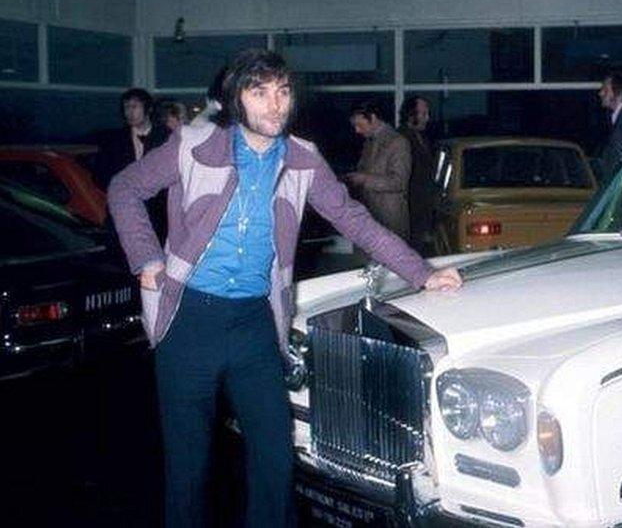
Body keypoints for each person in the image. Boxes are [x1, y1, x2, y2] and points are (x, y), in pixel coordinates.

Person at [107, 48, 461, 528]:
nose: (276, 104)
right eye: (260, 92)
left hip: (254, 325)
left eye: (283, 91)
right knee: (188, 468)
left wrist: (421, 271)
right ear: (237, 99)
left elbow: (355, 220)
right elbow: (124, 189)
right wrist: (147, 258)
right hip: (188, 321)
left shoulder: (303, 161)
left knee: (275, 459)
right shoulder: (192, 146)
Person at [344, 101, 412, 239]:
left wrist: (364, 179)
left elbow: (399, 182)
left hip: (391, 221)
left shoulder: (398, 142)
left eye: (359, 125)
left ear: (373, 118)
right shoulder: (369, 142)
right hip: (372, 219)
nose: (357, 130)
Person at [95, 88, 169, 189]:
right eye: (126, 107)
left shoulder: (165, 136)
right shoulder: (114, 140)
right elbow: (101, 174)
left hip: (158, 200)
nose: (130, 112)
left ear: (149, 109)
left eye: (134, 107)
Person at [398, 96, 437, 255]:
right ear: (411, 114)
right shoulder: (401, 138)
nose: (427, 118)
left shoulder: (422, 138)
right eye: (423, 113)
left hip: (421, 204)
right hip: (410, 206)